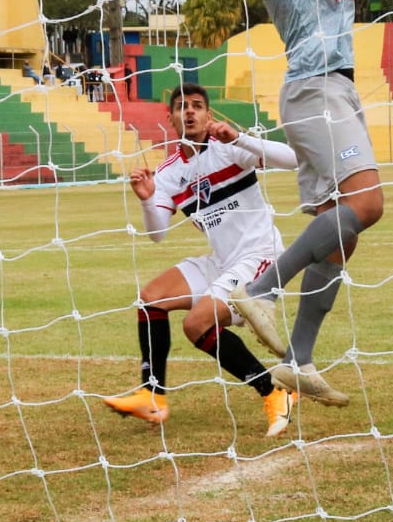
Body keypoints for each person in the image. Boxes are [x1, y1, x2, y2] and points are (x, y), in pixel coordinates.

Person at [224, 0, 393, 407]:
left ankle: (297, 359)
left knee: (341, 235)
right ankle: (263, 288)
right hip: (314, 86)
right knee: (370, 206)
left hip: (334, 87)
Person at [105, 84, 300, 436]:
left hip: (260, 256)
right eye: (182, 106)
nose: (190, 112)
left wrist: (239, 138)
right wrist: (148, 200)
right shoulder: (166, 173)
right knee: (150, 299)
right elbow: (158, 233)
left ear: (209, 115)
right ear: (171, 118)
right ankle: (152, 395)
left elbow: (293, 158)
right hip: (222, 260)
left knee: (196, 325)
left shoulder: (229, 149)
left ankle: (274, 391)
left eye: (197, 106)